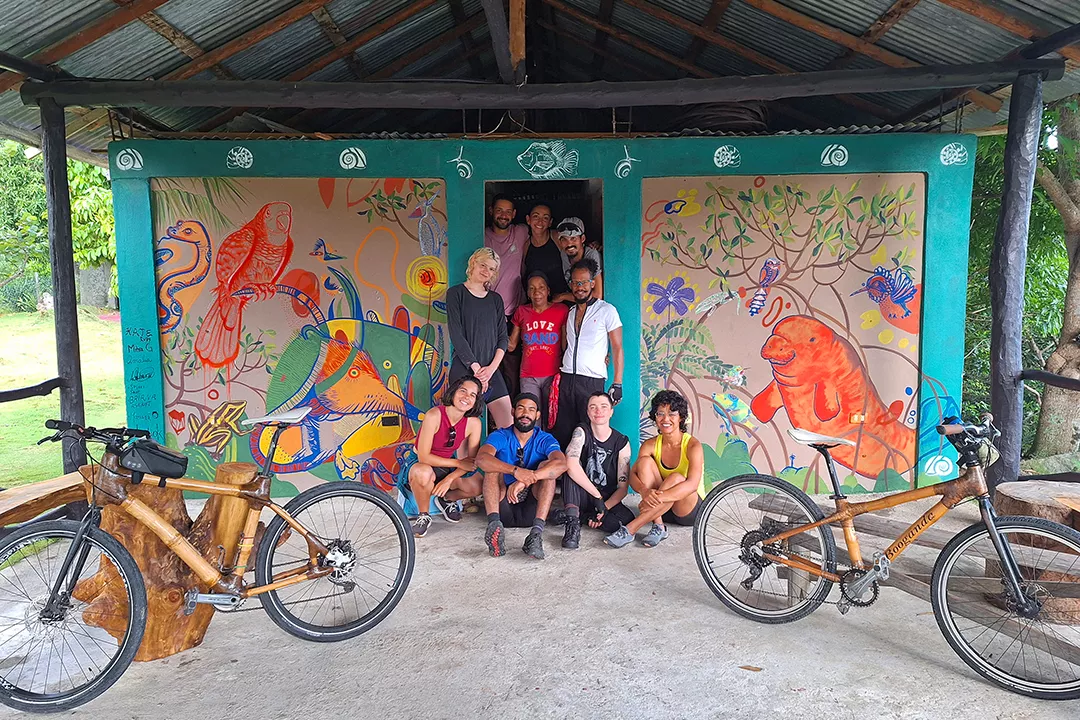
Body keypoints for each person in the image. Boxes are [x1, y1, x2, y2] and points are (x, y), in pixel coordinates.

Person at [605, 390, 704, 549]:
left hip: (687, 510)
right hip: (661, 510)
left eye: (672, 413)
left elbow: (692, 484)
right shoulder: (650, 444)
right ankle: (659, 526)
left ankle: (631, 529)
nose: (666, 419)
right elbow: (633, 475)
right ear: (655, 418)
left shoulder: (692, 445)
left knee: (676, 478)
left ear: (681, 418)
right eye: (660, 414)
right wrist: (644, 492)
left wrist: (657, 498)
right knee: (644, 463)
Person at [476, 393, 567, 560]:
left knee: (547, 469)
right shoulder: (501, 435)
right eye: (521, 408)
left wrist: (528, 478)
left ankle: (535, 535)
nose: (526, 414)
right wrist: (516, 471)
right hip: (504, 505)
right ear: (513, 412)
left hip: (532, 509)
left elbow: (562, 464)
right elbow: (481, 459)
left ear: (537, 415)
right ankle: (494, 527)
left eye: (531, 410)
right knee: (491, 465)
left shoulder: (544, 439)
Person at [550, 259, 624, 448]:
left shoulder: (607, 310)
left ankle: (588, 476)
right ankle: (564, 476)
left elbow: (617, 347)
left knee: (588, 434)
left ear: (592, 283)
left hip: (591, 381)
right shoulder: (571, 311)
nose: (579, 287)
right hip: (567, 380)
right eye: (575, 282)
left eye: (583, 282)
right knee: (563, 432)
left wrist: (617, 383)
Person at [404, 376, 485, 538]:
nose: (466, 397)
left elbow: (470, 462)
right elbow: (424, 457)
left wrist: (448, 480)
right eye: (463, 391)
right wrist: (457, 463)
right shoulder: (434, 415)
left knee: (477, 485)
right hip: (421, 463)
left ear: (475, 401)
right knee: (423, 472)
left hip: (446, 465)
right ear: (453, 392)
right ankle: (423, 516)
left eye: (472, 395)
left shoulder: (474, 423)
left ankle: (446, 500)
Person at [446, 247, 512, 428]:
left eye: (491, 269)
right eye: (483, 265)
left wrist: (490, 370)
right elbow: (457, 336)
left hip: (491, 369)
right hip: (465, 368)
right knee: (463, 430)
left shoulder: (496, 299)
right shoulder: (455, 294)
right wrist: (476, 369)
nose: (486, 271)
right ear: (473, 263)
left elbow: (503, 338)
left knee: (508, 424)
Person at [560, 391, 634, 550]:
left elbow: (623, 488)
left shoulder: (621, 442)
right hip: (584, 493)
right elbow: (571, 463)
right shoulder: (582, 431)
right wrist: (596, 496)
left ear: (611, 411)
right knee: (568, 471)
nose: (598, 411)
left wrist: (603, 508)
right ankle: (573, 525)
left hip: (606, 497)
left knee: (625, 521)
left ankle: (583, 517)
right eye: (593, 407)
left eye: (603, 407)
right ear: (588, 412)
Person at [508, 270, 569, 430]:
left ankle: (551, 452)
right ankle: (533, 453)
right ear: (527, 292)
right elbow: (511, 345)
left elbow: (566, 344)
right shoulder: (522, 311)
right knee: (530, 419)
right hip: (528, 375)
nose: (537, 292)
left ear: (548, 291)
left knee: (552, 417)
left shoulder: (561, 310)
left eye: (541, 287)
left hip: (553, 374)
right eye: (532, 288)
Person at [484, 194, 529, 399]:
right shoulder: (481, 235)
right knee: (489, 364)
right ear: (491, 210)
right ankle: (491, 417)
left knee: (512, 365)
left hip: (513, 315)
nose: (504, 215)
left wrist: (589, 245)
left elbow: (547, 233)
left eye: (508, 211)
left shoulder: (520, 232)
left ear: (514, 214)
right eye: (499, 210)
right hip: (488, 314)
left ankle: (511, 412)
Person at [522, 203, 569, 300]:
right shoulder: (526, 245)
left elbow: (576, 250)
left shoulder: (557, 237)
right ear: (528, 220)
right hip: (537, 302)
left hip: (562, 300)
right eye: (536, 216)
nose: (540, 222)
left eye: (545, 218)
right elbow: (523, 274)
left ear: (550, 222)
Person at [553, 217, 603, 303]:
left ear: (582, 239)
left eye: (573, 239)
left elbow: (597, 295)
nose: (569, 244)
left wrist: (563, 296)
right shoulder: (564, 254)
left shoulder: (591, 254)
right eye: (564, 239)